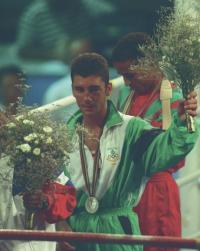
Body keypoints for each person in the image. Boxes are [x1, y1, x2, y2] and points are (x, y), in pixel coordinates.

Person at [64, 52, 198, 251]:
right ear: (72, 90)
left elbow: (166, 151)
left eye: (94, 90)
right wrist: (60, 224)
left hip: (119, 232)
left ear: (108, 89)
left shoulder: (133, 128)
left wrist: (182, 123)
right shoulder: (63, 135)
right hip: (75, 234)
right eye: (80, 90)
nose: (86, 98)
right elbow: (56, 187)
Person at [111, 32, 185, 250]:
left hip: (156, 194)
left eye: (131, 75)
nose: (126, 82)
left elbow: (172, 155)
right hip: (125, 191)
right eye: (123, 76)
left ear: (150, 63)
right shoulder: (127, 92)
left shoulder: (173, 97)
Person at [0, 66, 76, 251]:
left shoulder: (38, 145)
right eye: (8, 86)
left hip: (39, 242)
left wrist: (45, 201)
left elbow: (65, 193)